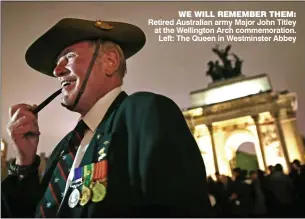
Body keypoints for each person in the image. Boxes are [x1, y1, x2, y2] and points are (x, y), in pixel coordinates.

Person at [1, 18, 212, 217]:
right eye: (57, 62)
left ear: (110, 61)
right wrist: (25, 162)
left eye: (69, 57)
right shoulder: (64, 148)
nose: (56, 70)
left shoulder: (144, 113)